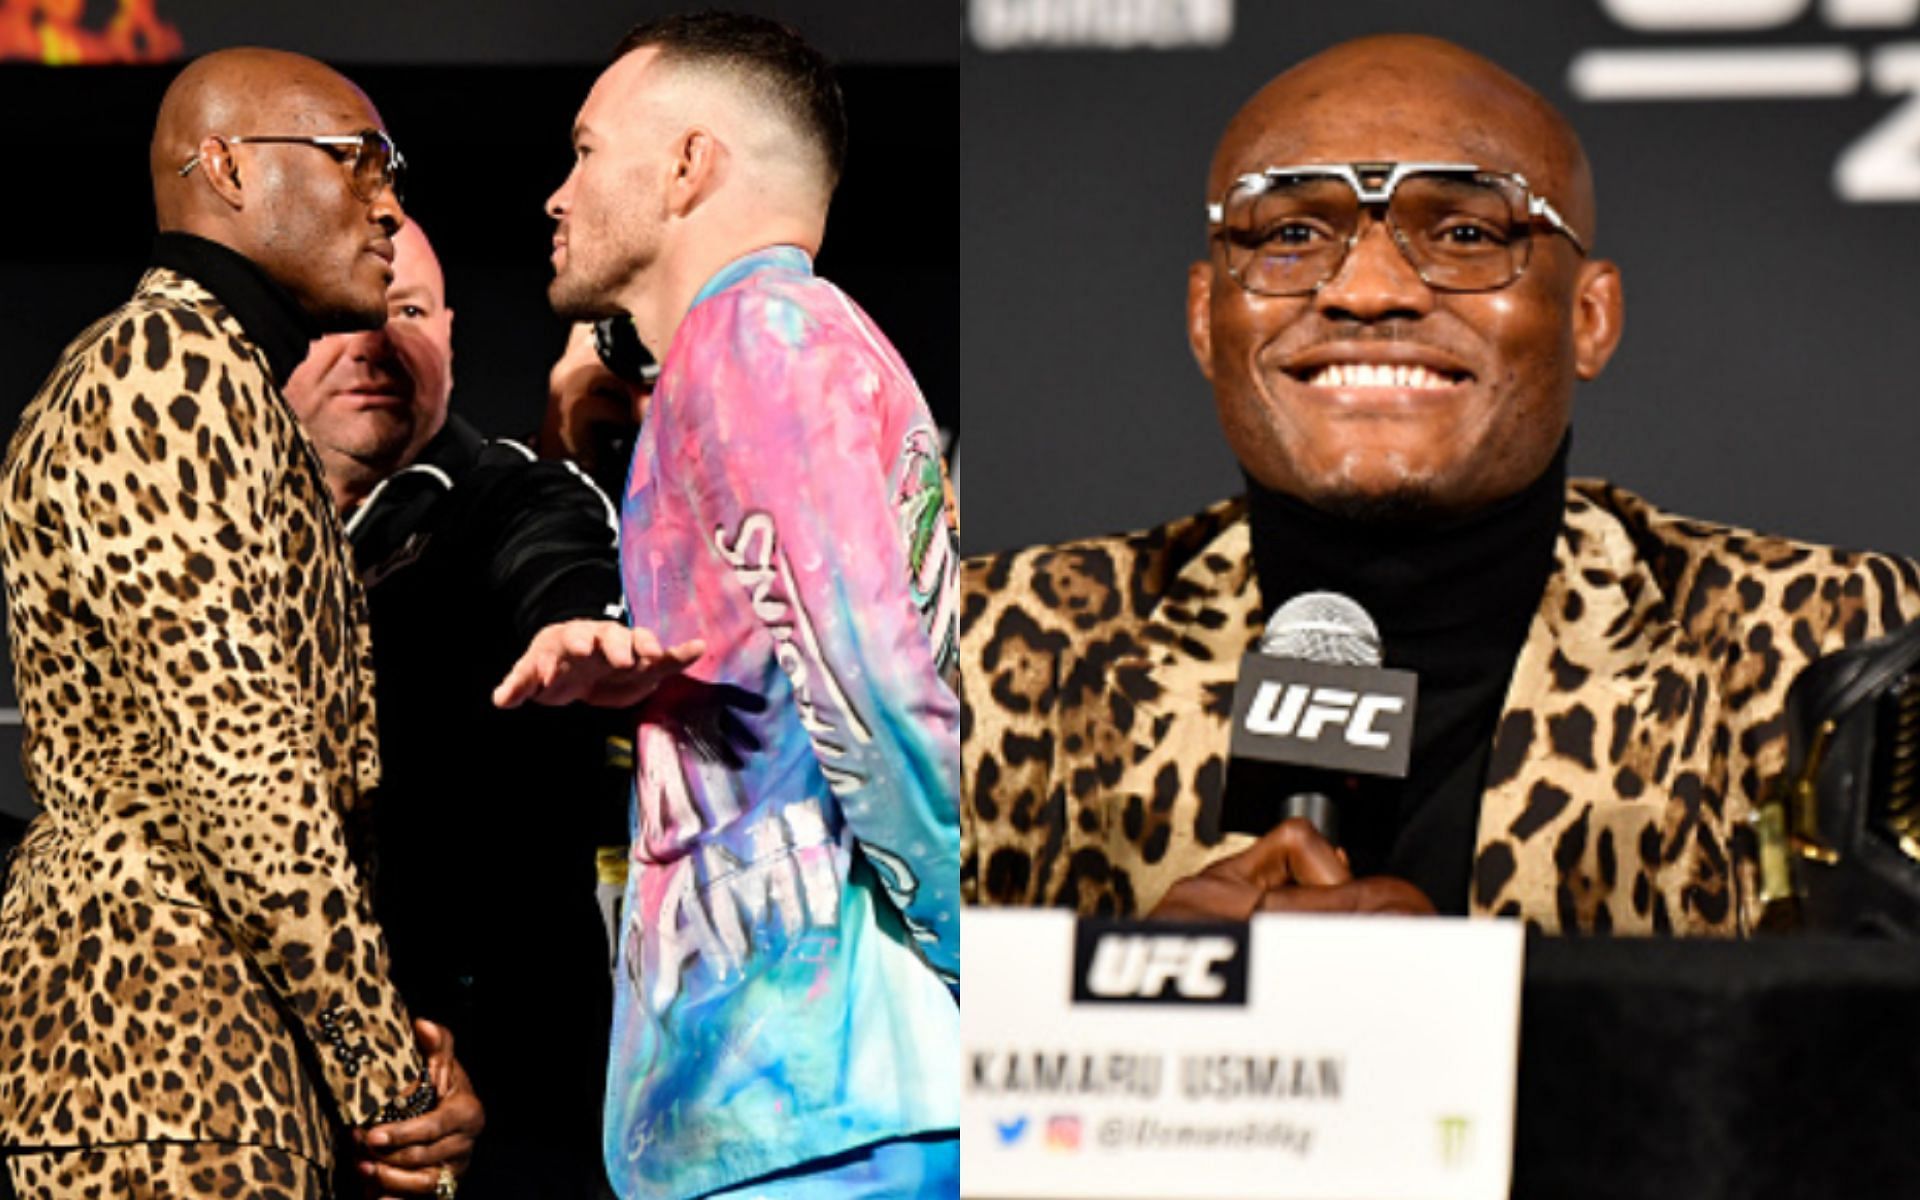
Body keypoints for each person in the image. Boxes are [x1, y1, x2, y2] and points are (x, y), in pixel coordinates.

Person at [960, 34, 1920, 936]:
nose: (1369, 289)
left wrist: (1482, 1015)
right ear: (1209, 319)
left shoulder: (1838, 651)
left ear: (1589, 318)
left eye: (1463, 231)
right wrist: (1125, 1002)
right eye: (1292, 229)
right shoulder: (986, 660)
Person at [0, 48, 480, 1198]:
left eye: (393, 165)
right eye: (355, 159)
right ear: (223, 168)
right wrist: (389, 1087)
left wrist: (366, 1053)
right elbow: (243, 768)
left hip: (209, 1049)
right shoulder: (166, 365)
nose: (389, 198)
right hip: (157, 1053)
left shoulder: (218, 382)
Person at [517, 12, 963, 1198]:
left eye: (585, 150)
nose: (558, 194)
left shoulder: (757, 335)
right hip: (788, 1105)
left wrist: (980, 959)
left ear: (688, 167)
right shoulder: (752, 349)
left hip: (829, 1112)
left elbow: (873, 689)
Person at [284, 219, 639, 1198]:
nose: (374, 343)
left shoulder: (522, 498)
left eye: (404, 312)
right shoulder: (199, 541)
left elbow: (557, 562)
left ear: (447, 330)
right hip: (263, 1097)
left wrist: (571, 621)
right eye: (338, 317)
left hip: (506, 1105)